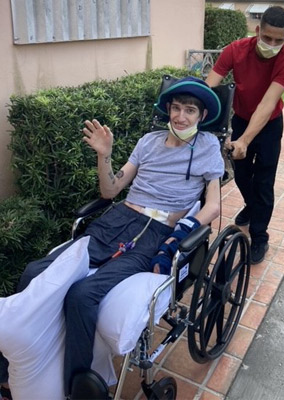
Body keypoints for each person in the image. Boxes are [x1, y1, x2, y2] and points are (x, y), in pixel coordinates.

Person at [0, 76, 224, 397]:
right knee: (35, 271)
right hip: (117, 219)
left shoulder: (207, 147)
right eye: (176, 108)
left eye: (190, 110)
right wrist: (103, 155)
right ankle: (10, 366)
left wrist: (180, 233)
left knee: (82, 295)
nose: (181, 116)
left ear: (201, 116)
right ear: (168, 110)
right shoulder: (148, 141)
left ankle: (78, 384)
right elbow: (111, 190)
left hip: (154, 233)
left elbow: (213, 206)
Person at [205, 5, 284, 264]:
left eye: (279, 40)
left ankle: (260, 237)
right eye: (267, 38)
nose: (272, 44)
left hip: (269, 125)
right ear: (257, 30)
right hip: (242, 117)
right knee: (243, 175)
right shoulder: (235, 50)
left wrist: (245, 139)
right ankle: (251, 206)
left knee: (264, 183)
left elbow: (268, 103)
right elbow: (210, 86)